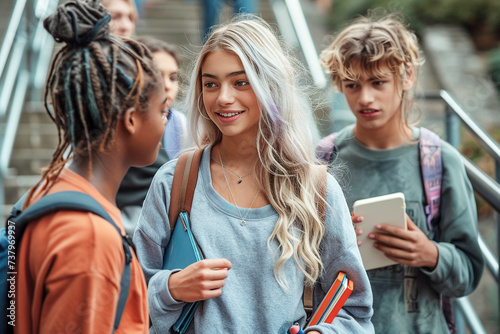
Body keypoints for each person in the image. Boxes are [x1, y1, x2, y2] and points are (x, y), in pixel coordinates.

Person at [133, 15, 374, 333]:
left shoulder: (317, 189)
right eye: (211, 84)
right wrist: (172, 287)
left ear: (270, 85)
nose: (223, 97)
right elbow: (130, 296)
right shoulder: (173, 181)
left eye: (240, 82)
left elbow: (355, 310)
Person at [318, 14, 485, 333]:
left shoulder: (440, 162)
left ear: (406, 76)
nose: (365, 98)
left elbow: (469, 273)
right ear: (339, 84)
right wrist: (332, 244)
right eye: (352, 85)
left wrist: (430, 253)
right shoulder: (322, 161)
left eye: (378, 82)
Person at [15, 0, 168, 332]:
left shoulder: (53, 189)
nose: (166, 122)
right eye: (163, 109)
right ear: (131, 120)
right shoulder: (90, 239)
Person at [116, 36, 189, 236]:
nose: (166, 86)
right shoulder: (113, 129)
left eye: (173, 78)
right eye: (156, 75)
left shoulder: (182, 125)